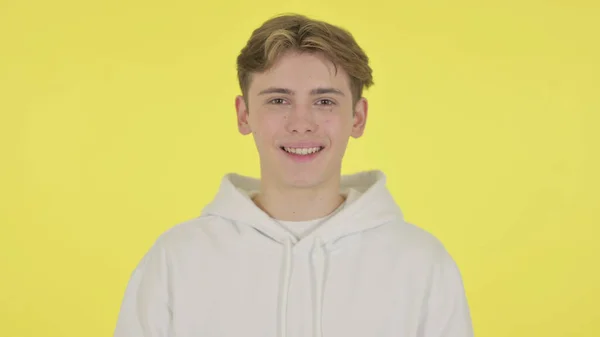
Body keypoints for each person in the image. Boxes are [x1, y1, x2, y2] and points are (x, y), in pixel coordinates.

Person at [113, 13, 474, 337]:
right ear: (244, 114)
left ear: (358, 118)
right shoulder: (177, 260)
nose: (301, 124)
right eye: (278, 100)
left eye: (325, 101)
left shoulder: (420, 263)